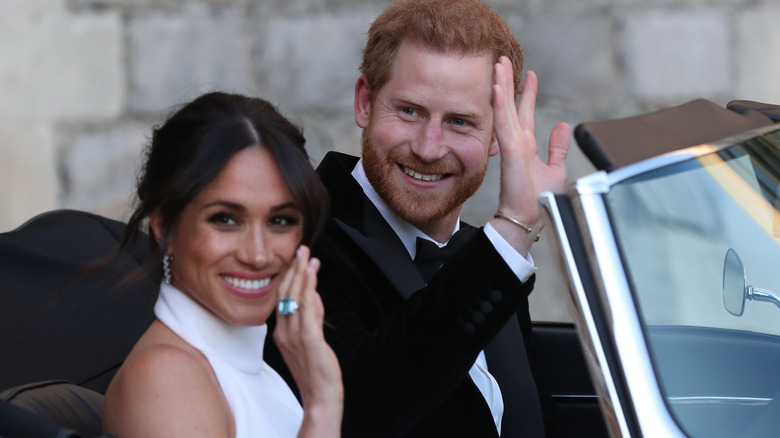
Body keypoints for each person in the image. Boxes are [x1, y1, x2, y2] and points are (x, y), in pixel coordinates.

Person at [296, 0, 571, 437]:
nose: (428, 147)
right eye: (409, 111)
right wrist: (514, 227)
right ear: (365, 102)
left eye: (460, 122)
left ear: (498, 135)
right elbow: (358, 406)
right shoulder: (298, 238)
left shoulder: (489, 256)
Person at [102, 92, 343, 438]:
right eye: (226, 219)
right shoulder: (167, 378)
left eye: (280, 221)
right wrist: (322, 407)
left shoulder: (255, 369)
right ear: (163, 225)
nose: (258, 255)